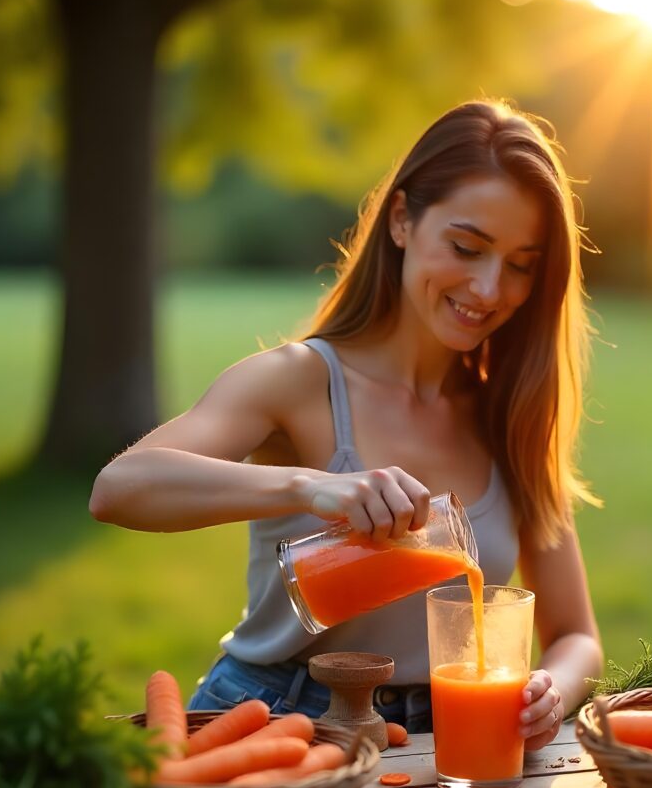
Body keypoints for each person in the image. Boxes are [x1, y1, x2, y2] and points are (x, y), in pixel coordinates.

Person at [89, 99, 603, 751]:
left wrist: (551, 687)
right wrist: (311, 489)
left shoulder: (511, 416)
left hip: (447, 739)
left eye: (521, 264)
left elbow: (575, 635)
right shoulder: (299, 380)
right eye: (466, 247)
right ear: (400, 221)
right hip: (273, 722)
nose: (488, 288)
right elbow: (119, 487)